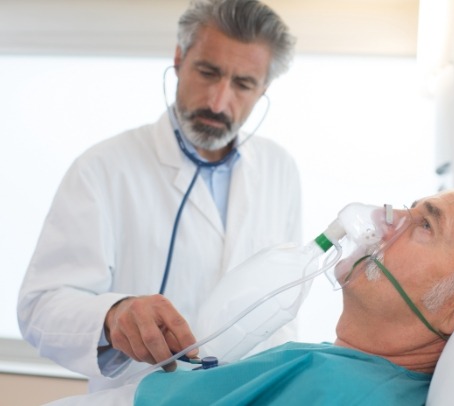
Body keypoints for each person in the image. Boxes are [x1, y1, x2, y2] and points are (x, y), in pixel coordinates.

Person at [17, 0, 301, 392]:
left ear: (264, 88)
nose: (219, 102)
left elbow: (283, 304)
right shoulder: (102, 168)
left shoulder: (279, 169)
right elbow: (40, 308)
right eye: (207, 72)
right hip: (141, 396)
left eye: (243, 84)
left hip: (250, 396)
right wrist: (113, 317)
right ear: (179, 58)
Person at [43, 184, 454, 405]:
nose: (383, 222)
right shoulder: (334, 369)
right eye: (408, 208)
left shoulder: (354, 396)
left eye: (425, 226)